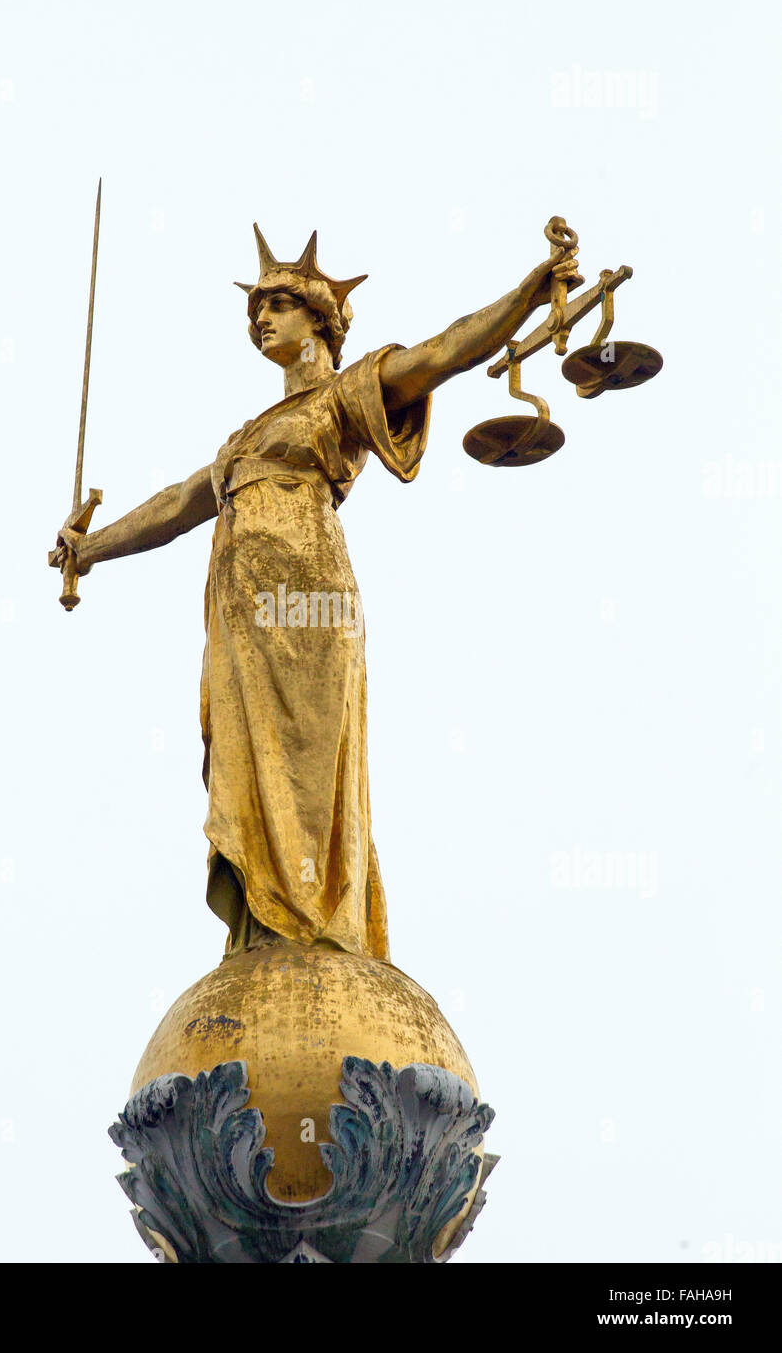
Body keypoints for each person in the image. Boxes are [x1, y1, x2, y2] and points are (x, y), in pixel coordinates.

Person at [52, 225, 579, 961]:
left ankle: (320, 920)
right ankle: (267, 924)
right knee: (247, 756)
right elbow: (177, 506)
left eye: (277, 305)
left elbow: (446, 351)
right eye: (255, 310)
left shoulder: (344, 395)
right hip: (240, 614)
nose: (259, 319)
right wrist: (94, 547)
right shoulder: (242, 439)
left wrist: (531, 289)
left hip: (309, 600)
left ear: (320, 317)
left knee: (307, 756)